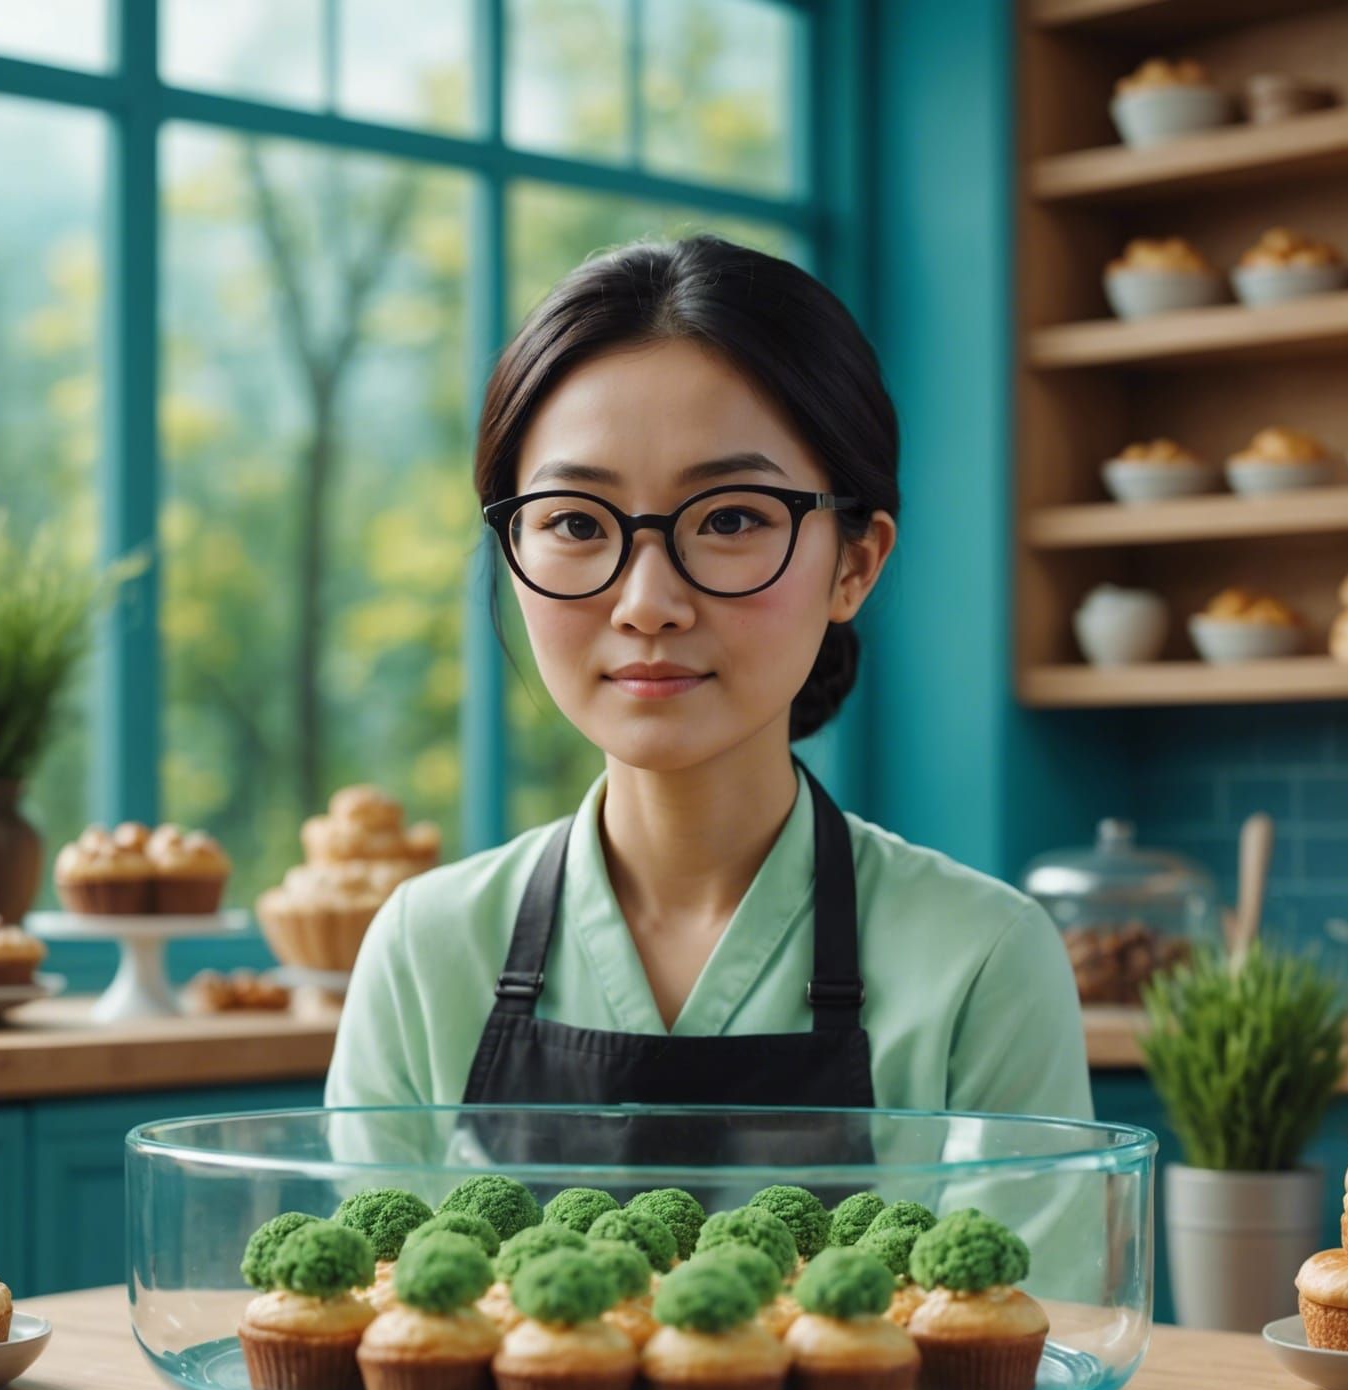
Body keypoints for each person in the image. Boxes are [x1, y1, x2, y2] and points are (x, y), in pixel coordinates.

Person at [325, 234, 1091, 1164]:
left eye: (731, 519)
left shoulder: (983, 962)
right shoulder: (424, 950)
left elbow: (1025, 1312)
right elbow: (356, 1309)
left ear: (855, 562)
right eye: (574, 522)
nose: (647, 603)